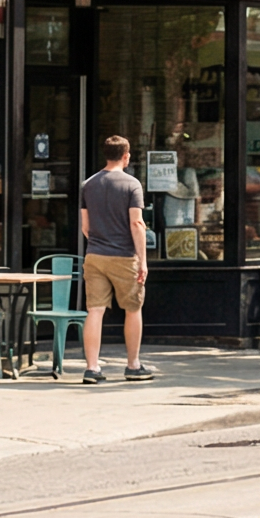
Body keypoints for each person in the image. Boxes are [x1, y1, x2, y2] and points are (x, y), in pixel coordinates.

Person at [77, 136, 154, 384]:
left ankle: (92, 368)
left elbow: (86, 227)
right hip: (123, 256)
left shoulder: (88, 184)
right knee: (132, 309)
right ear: (126, 156)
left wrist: (99, 240)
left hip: (95, 255)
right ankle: (133, 365)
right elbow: (137, 223)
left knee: (95, 311)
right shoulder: (132, 185)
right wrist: (143, 260)